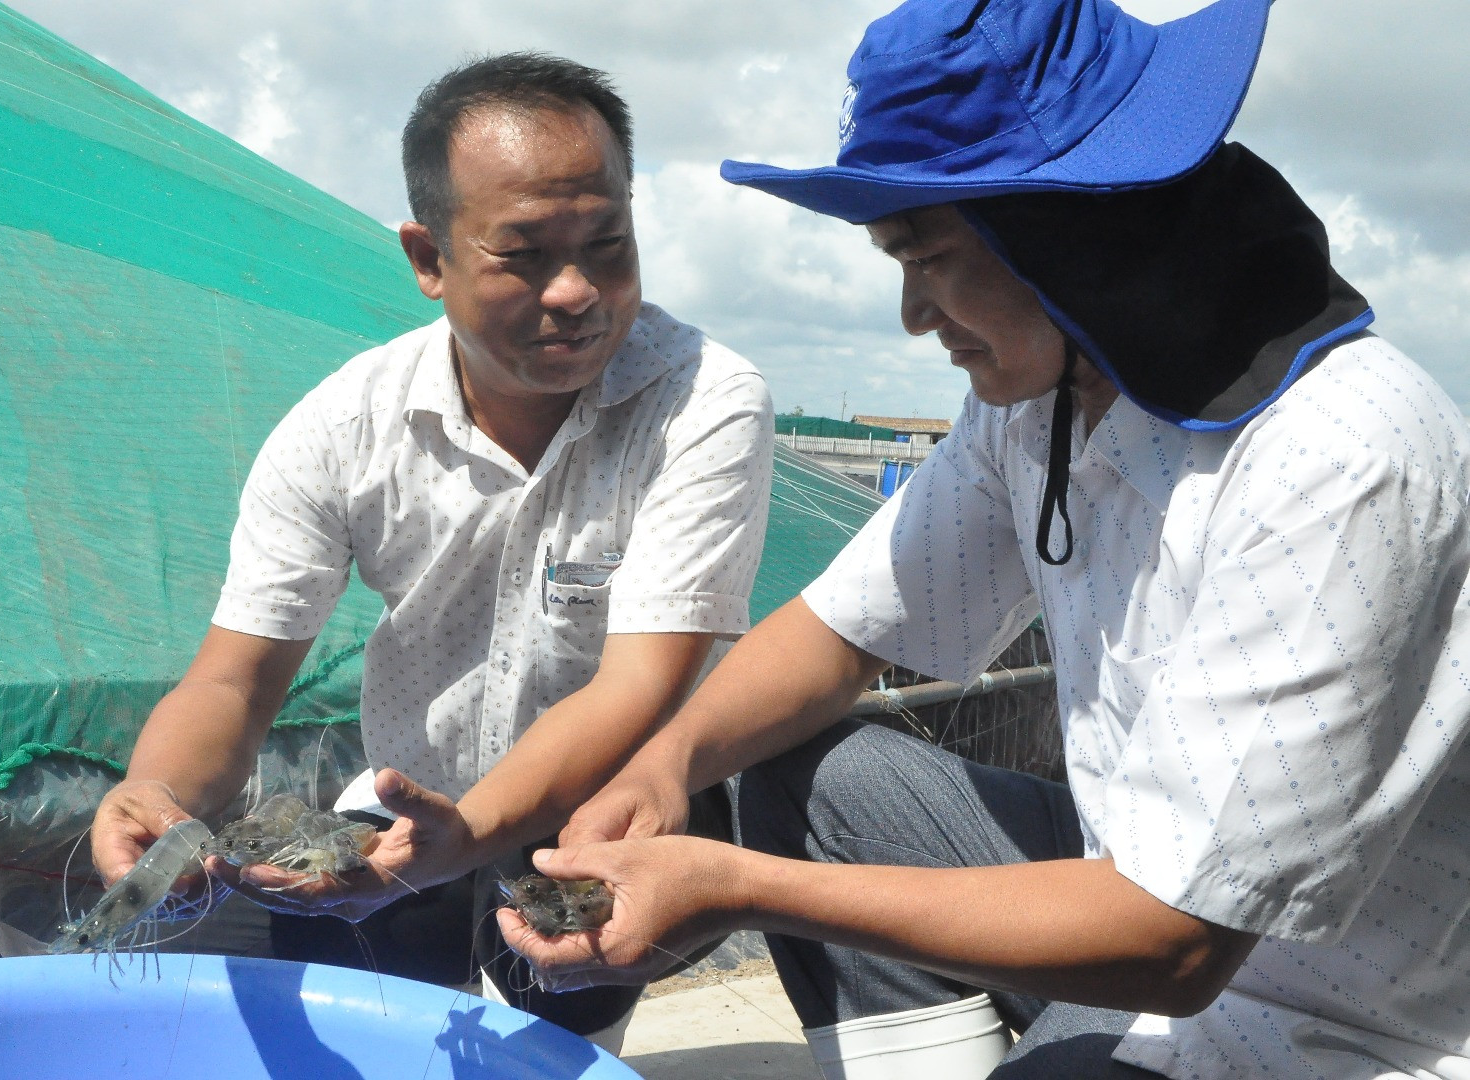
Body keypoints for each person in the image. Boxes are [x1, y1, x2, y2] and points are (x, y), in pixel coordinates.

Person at [499, 1, 1470, 1077]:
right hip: (1138, 885)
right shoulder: (1042, 403)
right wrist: (666, 764)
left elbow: (1178, 943)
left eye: (931, 257)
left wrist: (735, 884)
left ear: (1074, 236)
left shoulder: (1341, 460)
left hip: (1328, 1012)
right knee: (800, 772)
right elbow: (841, 631)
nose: (914, 315)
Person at [89, 52, 772, 1051]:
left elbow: (637, 688)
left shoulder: (704, 402)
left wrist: (474, 836)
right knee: (386, 1033)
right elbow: (235, 680)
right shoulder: (343, 426)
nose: (577, 291)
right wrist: (158, 796)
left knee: (561, 1045)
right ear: (428, 254)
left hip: (602, 813)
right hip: (409, 805)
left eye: (608, 245)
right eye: (524, 253)